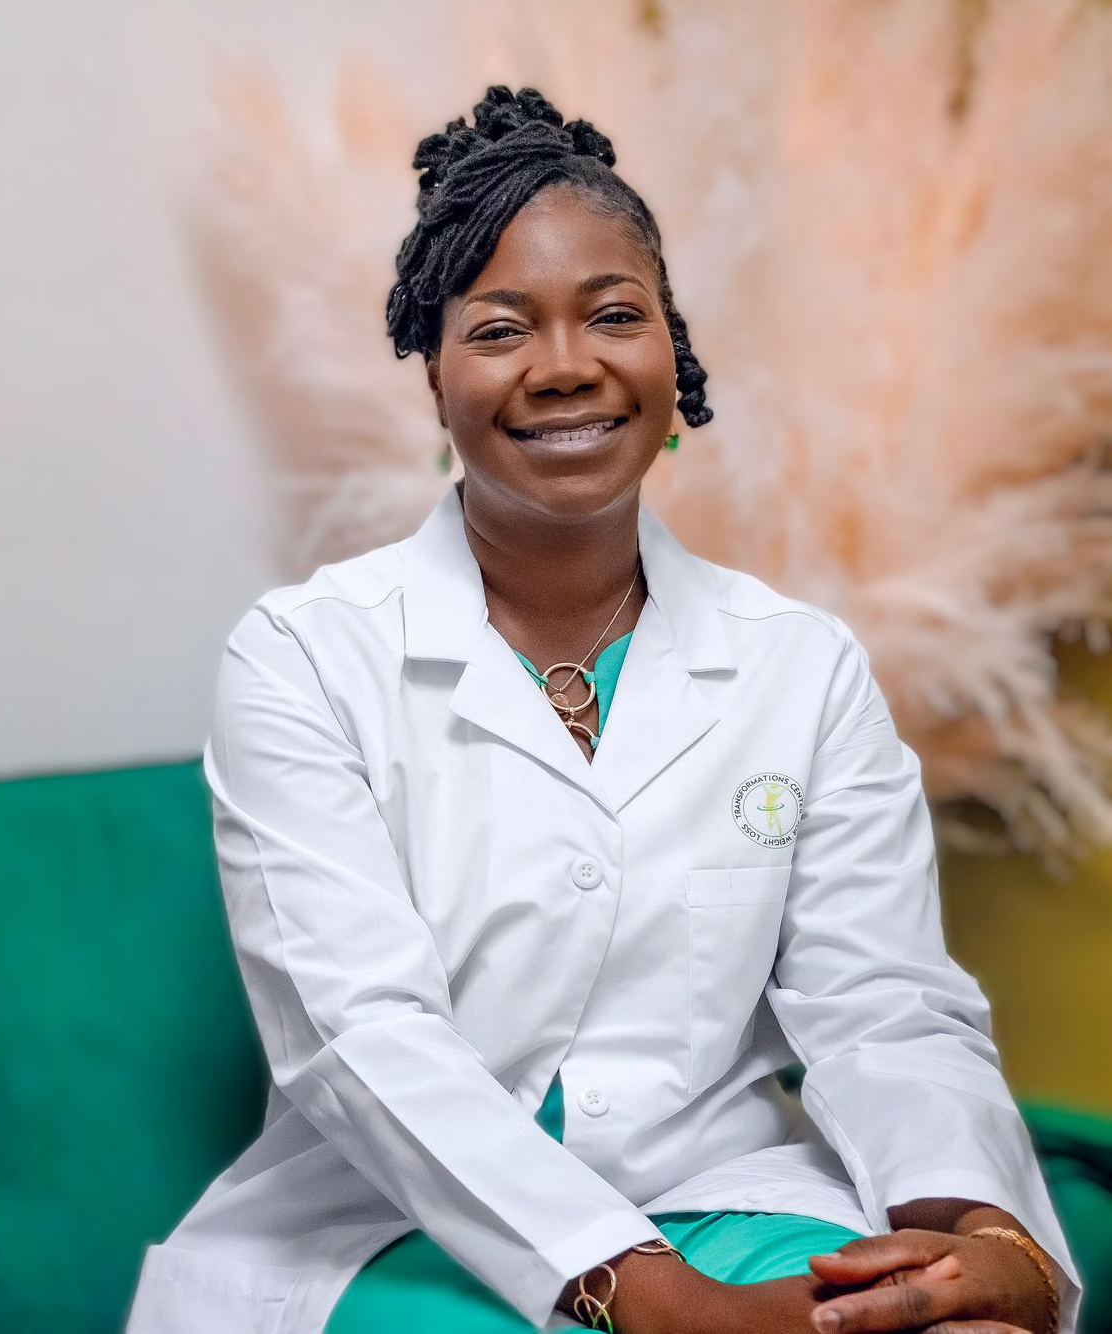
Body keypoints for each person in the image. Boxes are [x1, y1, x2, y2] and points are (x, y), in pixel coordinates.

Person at [125, 86, 1081, 1334]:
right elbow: (362, 1035)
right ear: (435, 376)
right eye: (500, 327)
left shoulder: (801, 664)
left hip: (723, 1190)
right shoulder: (305, 657)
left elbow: (882, 1000)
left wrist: (986, 1233)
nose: (566, 364)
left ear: (672, 355)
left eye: (614, 315)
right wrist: (651, 1296)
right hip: (401, 1224)